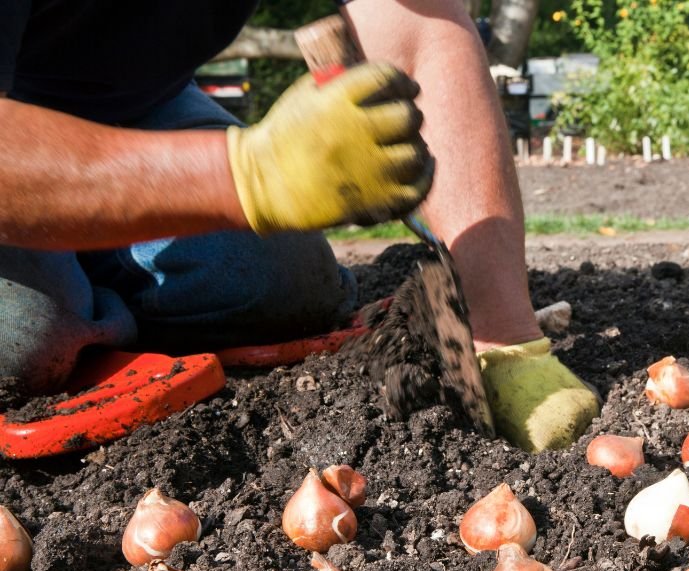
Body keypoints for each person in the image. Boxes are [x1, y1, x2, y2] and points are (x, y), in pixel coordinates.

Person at [0, 0, 599, 453]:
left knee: (281, 283)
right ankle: (66, 277)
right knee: (23, 339)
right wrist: (248, 176)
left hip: (136, 104)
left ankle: (77, 259)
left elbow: (417, 28)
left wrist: (504, 336)